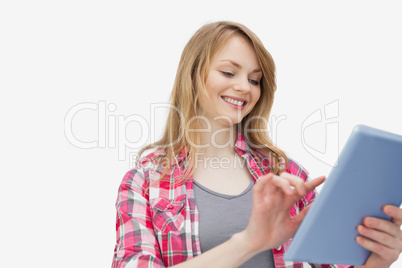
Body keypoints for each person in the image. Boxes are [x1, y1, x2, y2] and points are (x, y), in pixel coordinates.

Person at [112, 21, 402, 268]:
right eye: (228, 72)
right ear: (192, 75)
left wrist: (377, 261)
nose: (245, 87)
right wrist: (249, 242)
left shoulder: (286, 174)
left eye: (255, 79)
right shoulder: (145, 182)